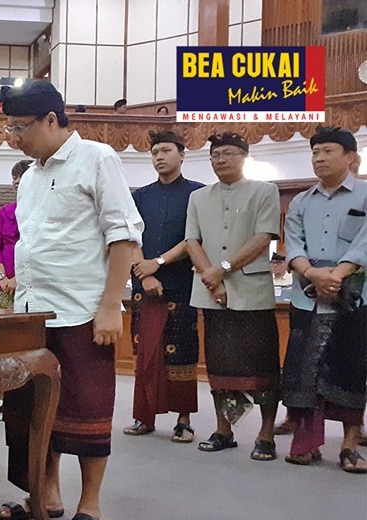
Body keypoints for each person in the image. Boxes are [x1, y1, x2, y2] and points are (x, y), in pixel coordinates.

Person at [0, 80, 143, 520]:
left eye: (19, 127)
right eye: (8, 129)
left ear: (50, 119)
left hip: (81, 311)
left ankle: (90, 503)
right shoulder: (30, 177)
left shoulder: (97, 158)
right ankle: (46, 496)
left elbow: (123, 237)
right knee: (32, 411)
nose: (13, 138)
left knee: (87, 410)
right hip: (31, 314)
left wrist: (110, 306)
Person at [186, 132, 281, 461]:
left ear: (244, 157)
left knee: (263, 364)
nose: (221, 160)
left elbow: (263, 236)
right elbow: (192, 241)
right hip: (212, 293)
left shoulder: (265, 191)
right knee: (219, 365)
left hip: (252, 292)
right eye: (215, 155)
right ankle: (223, 430)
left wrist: (223, 269)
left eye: (228, 153)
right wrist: (212, 279)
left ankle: (266, 434)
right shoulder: (198, 197)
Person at [281, 126, 367, 472]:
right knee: (304, 372)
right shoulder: (301, 201)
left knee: (351, 368)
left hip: (354, 296)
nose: (319, 158)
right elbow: (293, 243)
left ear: (350, 157)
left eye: (327, 151)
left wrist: (337, 275)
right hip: (307, 295)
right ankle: (306, 444)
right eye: (315, 152)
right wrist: (314, 274)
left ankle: (350, 446)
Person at [124, 130, 204, 443]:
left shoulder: (197, 194)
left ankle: (184, 420)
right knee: (145, 354)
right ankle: (144, 416)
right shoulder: (140, 196)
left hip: (180, 285)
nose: (159, 157)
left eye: (166, 151)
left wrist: (157, 263)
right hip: (144, 286)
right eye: (155, 152)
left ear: (181, 154)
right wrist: (144, 274)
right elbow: (131, 238)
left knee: (181, 354)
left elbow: (192, 239)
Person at [0, 160, 31, 422]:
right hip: (1, 288)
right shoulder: (5, 211)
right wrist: (3, 277)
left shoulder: (42, 211)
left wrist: (19, 279)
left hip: (29, 287)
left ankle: (21, 400)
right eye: (14, 178)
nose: (16, 182)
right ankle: (3, 400)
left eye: (21, 177)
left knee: (23, 346)